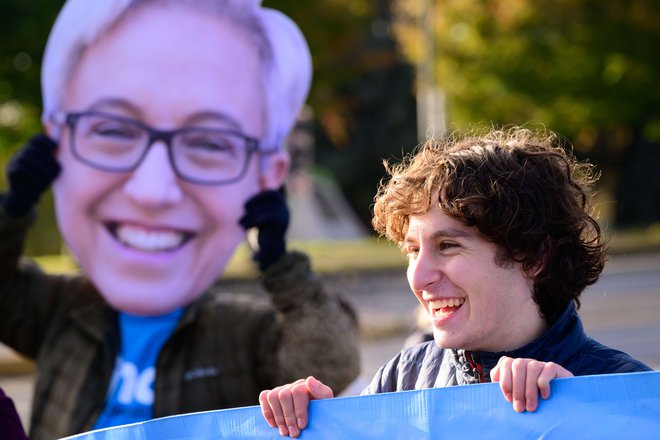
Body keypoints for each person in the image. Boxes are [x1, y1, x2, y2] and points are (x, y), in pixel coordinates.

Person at [0, 1, 360, 438]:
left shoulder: (238, 334)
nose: (152, 191)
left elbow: (333, 361)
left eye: (209, 143)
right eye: (112, 130)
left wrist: (280, 263)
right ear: (58, 145)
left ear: (266, 175)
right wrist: (13, 210)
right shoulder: (64, 309)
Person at [258, 126, 652, 438]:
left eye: (447, 246)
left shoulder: (626, 394)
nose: (420, 276)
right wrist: (322, 426)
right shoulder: (404, 377)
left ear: (534, 256)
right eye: (413, 250)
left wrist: (580, 415)